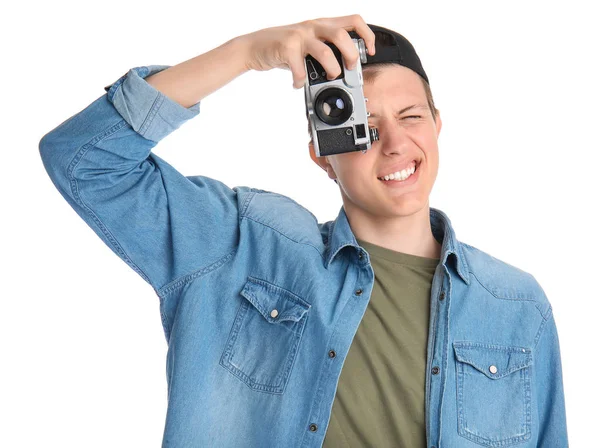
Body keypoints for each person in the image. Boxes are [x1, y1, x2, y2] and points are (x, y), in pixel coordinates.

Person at [39, 14, 568, 448]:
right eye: (364, 129)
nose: (394, 144)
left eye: (411, 116)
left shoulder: (517, 307)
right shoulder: (243, 246)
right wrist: (245, 53)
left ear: (437, 124)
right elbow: (84, 160)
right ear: (322, 154)